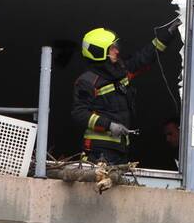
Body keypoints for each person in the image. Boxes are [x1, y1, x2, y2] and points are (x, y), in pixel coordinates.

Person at [71, 21, 180, 165]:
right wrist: (109, 125)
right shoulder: (87, 82)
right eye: (112, 48)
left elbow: (144, 57)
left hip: (121, 149)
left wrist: (167, 34)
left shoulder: (121, 70)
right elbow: (79, 113)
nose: (117, 51)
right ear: (99, 52)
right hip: (97, 151)